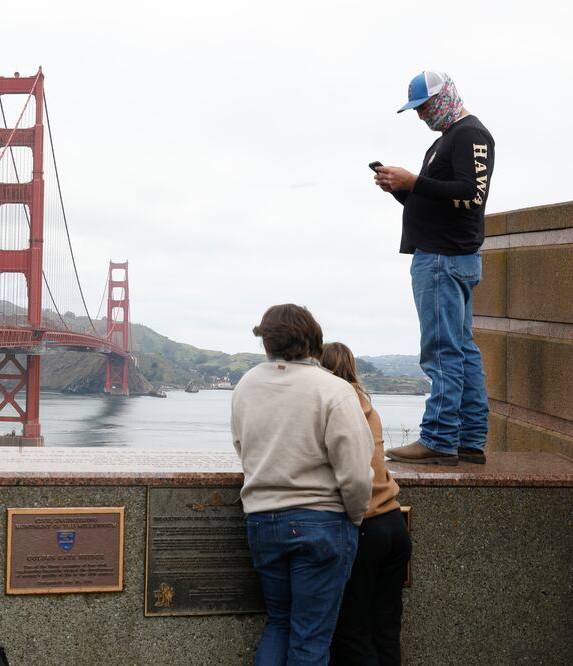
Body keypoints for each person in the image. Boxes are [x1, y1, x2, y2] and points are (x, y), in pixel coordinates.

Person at [232, 304, 374, 666]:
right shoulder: (334, 390)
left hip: (262, 520)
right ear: (314, 339)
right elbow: (356, 472)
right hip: (322, 523)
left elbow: (241, 447)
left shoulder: (247, 384)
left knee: (279, 624)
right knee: (310, 639)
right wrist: (355, 518)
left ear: (268, 342)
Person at [374, 71, 494, 466]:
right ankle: (470, 440)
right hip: (447, 256)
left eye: (425, 106)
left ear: (445, 97)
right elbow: (435, 202)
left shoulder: (470, 135)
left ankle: (440, 439)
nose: (422, 116)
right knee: (462, 350)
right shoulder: (446, 141)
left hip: (444, 259)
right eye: (417, 110)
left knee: (441, 352)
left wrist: (414, 180)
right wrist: (403, 189)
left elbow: (470, 196)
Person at [322, 342, 412, 666]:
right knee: (386, 629)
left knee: (352, 633)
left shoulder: (334, 407)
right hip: (394, 524)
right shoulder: (367, 405)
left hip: (366, 527)